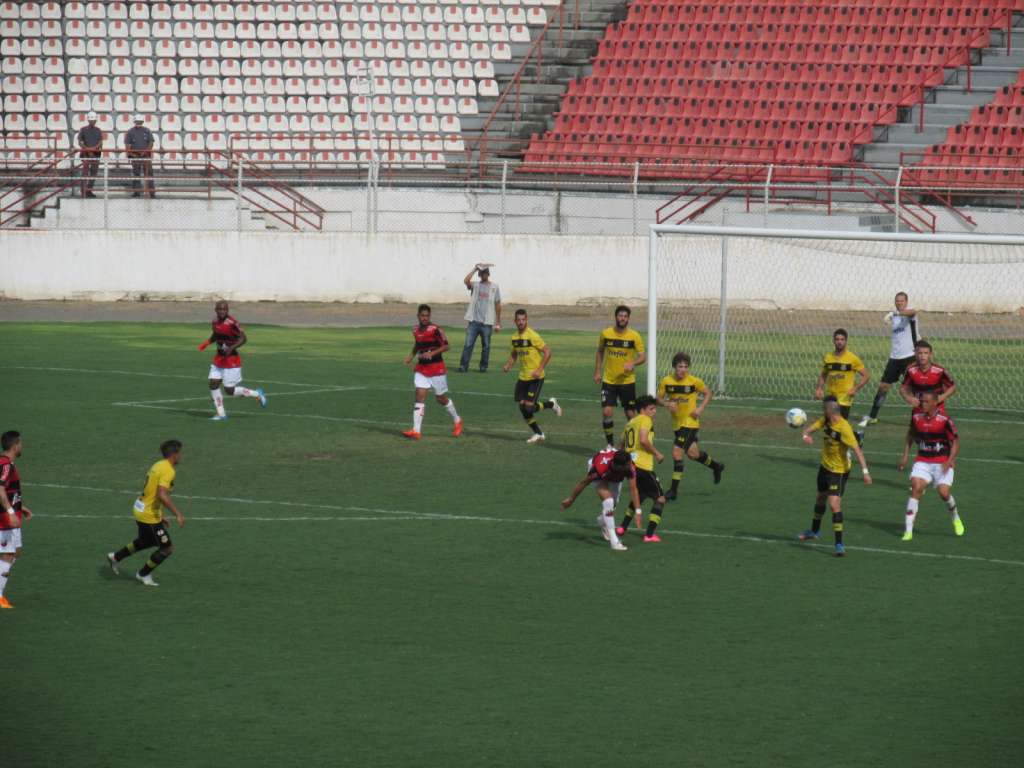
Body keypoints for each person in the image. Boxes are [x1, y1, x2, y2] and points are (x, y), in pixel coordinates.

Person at [797, 396, 872, 557]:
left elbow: (857, 450)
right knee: (820, 499)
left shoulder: (844, 428)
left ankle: (839, 544)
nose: (822, 411)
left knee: (834, 505)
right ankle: (814, 531)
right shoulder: (826, 420)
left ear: (830, 410)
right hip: (825, 467)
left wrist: (865, 473)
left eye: (823, 408)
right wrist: (805, 435)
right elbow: (809, 429)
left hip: (839, 471)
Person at [107, 440, 186, 587]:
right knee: (167, 548)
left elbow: (152, 491)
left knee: (146, 541)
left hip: (141, 508)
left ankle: (115, 557)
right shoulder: (168, 470)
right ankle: (143, 573)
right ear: (174, 454)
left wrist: (160, 514)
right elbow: (162, 494)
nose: (181, 456)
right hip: (148, 516)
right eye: (180, 453)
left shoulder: (158, 464)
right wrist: (178, 514)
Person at [656, 352, 724, 500]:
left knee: (676, 452)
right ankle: (716, 466)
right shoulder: (666, 382)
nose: (683, 369)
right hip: (677, 425)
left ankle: (673, 491)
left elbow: (708, 393)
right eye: (680, 366)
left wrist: (700, 409)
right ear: (674, 367)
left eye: (686, 366)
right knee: (693, 454)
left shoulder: (694, 381)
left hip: (690, 423)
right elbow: (658, 399)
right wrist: (668, 404)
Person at [897, 390, 964, 541]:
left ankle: (955, 517)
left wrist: (949, 460)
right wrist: (905, 456)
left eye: (926, 402)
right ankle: (908, 531)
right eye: (921, 401)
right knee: (916, 488)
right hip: (923, 461)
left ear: (935, 403)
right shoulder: (916, 417)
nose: (922, 404)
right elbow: (911, 435)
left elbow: (956, 442)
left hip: (942, 462)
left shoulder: (944, 420)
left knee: (943, 493)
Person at [501, 309, 562, 444]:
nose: (521, 322)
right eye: (519, 320)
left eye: (523, 320)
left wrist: (539, 369)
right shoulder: (514, 338)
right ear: (515, 321)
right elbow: (514, 354)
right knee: (522, 407)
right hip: (523, 377)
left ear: (527, 320)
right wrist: (508, 365)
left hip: (536, 377)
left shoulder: (533, 336)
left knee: (528, 407)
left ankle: (551, 404)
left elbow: (547, 352)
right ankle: (538, 433)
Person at [560, 448, 640, 551]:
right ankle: (614, 542)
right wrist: (571, 499)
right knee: (609, 502)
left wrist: (638, 511)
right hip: (601, 475)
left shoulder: (629, 467)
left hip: (614, 475)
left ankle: (602, 521)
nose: (630, 467)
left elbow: (633, 489)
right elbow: (583, 483)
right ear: (618, 466)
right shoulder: (600, 468)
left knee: (613, 504)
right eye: (627, 466)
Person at [199, 300, 267, 421]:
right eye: (219, 309)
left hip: (231, 360)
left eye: (224, 309)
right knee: (213, 384)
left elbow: (243, 338)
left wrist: (231, 348)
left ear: (227, 310)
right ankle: (221, 414)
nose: (222, 311)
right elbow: (216, 335)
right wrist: (206, 343)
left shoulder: (232, 323)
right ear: (216, 310)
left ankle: (256, 393)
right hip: (219, 358)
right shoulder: (214, 321)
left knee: (229, 391)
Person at [403, 304, 463, 440]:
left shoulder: (436, 329)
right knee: (419, 395)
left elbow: (446, 346)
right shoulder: (415, 330)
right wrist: (410, 356)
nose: (425, 318)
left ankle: (457, 420)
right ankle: (416, 431)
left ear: (429, 316)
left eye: (427, 316)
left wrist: (432, 353)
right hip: (422, 368)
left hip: (437, 368)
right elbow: (418, 344)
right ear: (418, 316)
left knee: (440, 398)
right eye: (422, 315)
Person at [860, 291, 919, 428]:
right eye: (897, 301)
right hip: (894, 358)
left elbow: (914, 311)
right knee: (883, 387)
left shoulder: (909, 314)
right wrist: (894, 315)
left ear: (906, 301)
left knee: (914, 388)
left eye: (902, 301)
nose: (899, 303)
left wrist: (896, 313)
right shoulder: (895, 317)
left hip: (909, 357)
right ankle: (873, 416)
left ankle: (921, 416)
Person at [614, 395, 667, 543]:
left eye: (654, 408)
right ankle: (649, 535)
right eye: (651, 409)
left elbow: (621, 445)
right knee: (660, 499)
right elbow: (643, 440)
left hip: (631, 466)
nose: (654, 411)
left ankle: (622, 527)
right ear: (642, 410)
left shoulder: (630, 423)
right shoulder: (645, 419)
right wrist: (657, 453)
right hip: (643, 466)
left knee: (641, 495)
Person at [595, 305, 646, 448]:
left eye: (625, 316)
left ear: (628, 319)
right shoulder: (606, 334)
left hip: (627, 381)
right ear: (616, 317)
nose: (622, 318)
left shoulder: (634, 336)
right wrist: (597, 371)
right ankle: (610, 445)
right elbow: (600, 352)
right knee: (607, 411)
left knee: (631, 415)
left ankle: (631, 445)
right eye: (620, 315)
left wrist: (633, 363)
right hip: (609, 380)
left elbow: (643, 357)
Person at [0, 431, 31, 609]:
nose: (22, 446)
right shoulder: (6, 466)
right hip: (5, 519)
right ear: (15, 445)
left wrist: (20, 507)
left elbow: (10, 491)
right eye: (20, 443)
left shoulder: (8, 463)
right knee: (8, 555)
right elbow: (0, 489)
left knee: (16, 552)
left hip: (12, 515)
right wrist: (11, 511)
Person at [814, 328, 870, 422]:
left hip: (845, 397)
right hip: (830, 396)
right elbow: (823, 374)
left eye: (842, 339)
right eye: (837, 339)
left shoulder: (852, 358)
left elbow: (866, 376)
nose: (839, 342)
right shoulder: (828, 357)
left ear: (846, 341)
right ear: (833, 341)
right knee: (831, 425)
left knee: (838, 424)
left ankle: (856, 436)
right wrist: (819, 388)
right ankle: (856, 436)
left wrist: (855, 388)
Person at [459, 263, 502, 373]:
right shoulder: (475, 285)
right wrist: (474, 268)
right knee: (468, 344)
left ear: (488, 274)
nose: (483, 274)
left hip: (487, 322)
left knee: (486, 346)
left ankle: (483, 367)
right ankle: (463, 366)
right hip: (474, 321)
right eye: (481, 272)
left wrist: (498, 322)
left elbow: (498, 304)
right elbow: (466, 281)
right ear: (479, 274)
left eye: (485, 272)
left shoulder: (494, 287)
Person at [900, 339, 956, 415]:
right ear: (916, 354)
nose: (923, 356)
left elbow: (952, 387)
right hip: (918, 409)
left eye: (926, 353)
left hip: (937, 409)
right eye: (920, 353)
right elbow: (903, 388)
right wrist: (909, 398)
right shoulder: (910, 370)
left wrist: (942, 397)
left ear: (930, 354)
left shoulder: (939, 370)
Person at [123, 114, 155, 198]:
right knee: (136, 173)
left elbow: (151, 142)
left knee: (149, 173)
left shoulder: (147, 131)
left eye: (140, 121)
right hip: (135, 156)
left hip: (146, 156)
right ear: (134, 122)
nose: (138, 123)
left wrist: (145, 151)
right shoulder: (130, 132)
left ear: (142, 122)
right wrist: (132, 154)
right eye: (137, 121)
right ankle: (137, 192)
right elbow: (127, 145)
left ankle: (152, 192)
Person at [77, 111, 104, 198]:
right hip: (86, 155)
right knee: (85, 173)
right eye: (91, 120)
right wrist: (88, 150)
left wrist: (94, 149)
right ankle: (83, 191)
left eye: (94, 120)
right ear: (88, 120)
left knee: (94, 173)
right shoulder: (83, 129)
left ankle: (89, 190)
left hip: (96, 155)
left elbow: (100, 142)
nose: (92, 121)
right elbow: (80, 142)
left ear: (96, 121)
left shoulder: (98, 130)